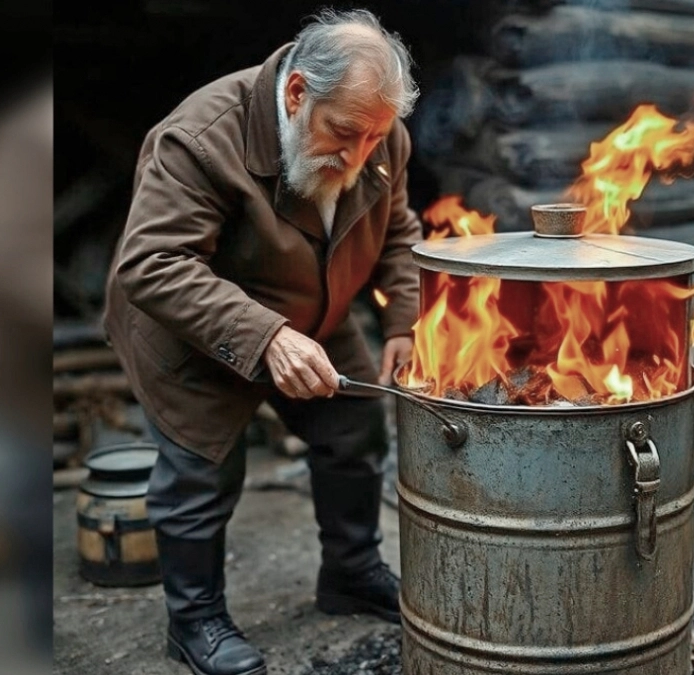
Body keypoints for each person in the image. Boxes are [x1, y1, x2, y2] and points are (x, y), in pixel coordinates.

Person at [101, 10, 421, 675]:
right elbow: (153, 264)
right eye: (345, 134)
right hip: (194, 327)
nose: (360, 155)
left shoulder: (379, 133)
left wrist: (403, 323)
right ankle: (195, 624)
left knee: (355, 430)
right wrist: (265, 334)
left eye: (375, 137)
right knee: (204, 472)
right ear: (298, 93)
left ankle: (351, 572)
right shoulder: (199, 137)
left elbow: (397, 230)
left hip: (315, 314)